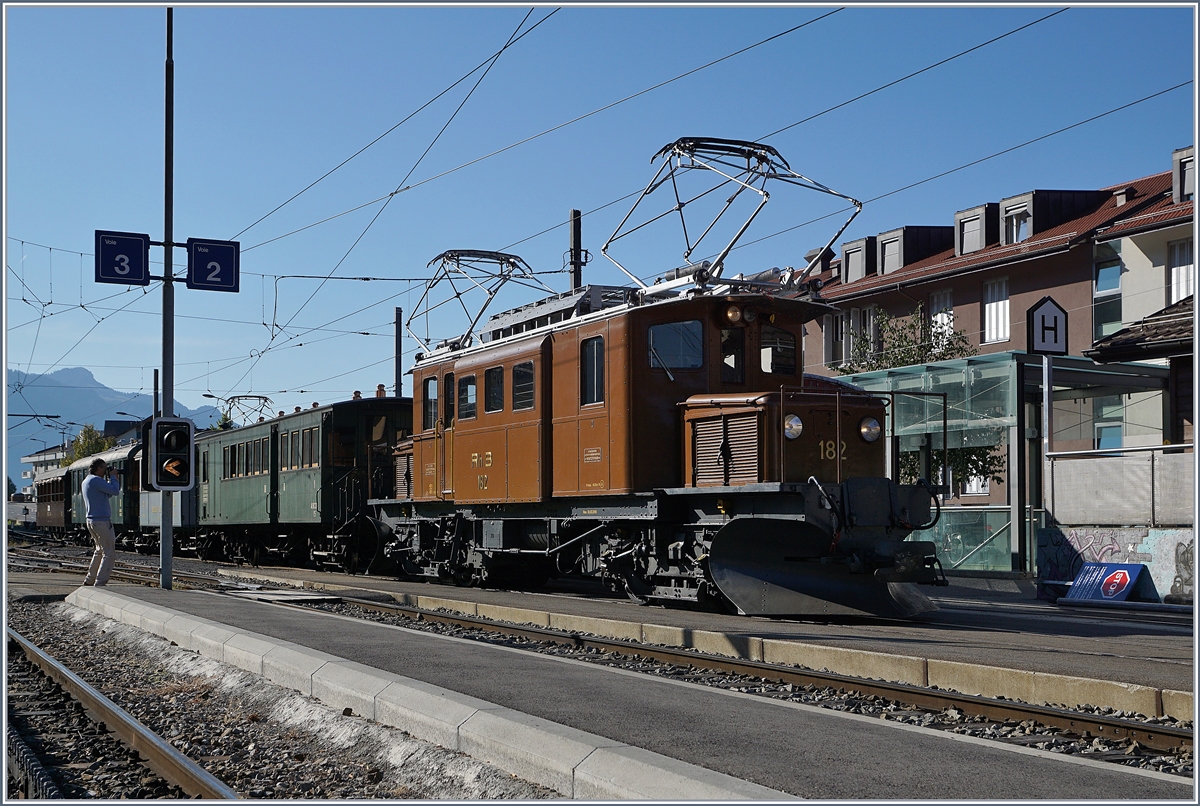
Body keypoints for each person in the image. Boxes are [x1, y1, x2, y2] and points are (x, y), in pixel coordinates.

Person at [81, 458, 121, 586]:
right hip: (102, 521)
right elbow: (115, 491)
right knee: (109, 553)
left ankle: (90, 579)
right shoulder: (96, 480)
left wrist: (110, 480)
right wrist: (114, 477)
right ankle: (100, 582)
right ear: (98, 468)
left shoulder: (87, 481)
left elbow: (107, 494)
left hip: (91, 521)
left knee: (99, 550)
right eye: (104, 468)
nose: (106, 471)